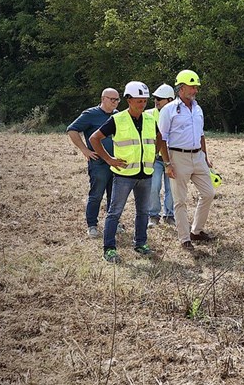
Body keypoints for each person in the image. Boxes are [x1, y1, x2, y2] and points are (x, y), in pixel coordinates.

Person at [89, 82, 157, 263]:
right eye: (139, 100)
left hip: (146, 174)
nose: (142, 104)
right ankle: (109, 249)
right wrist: (108, 159)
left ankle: (140, 243)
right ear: (128, 99)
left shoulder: (150, 119)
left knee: (143, 211)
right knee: (114, 212)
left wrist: (163, 159)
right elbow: (94, 138)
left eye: (144, 101)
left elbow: (160, 139)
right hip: (124, 175)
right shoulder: (117, 119)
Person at [157, 69, 215, 251]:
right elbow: (162, 138)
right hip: (178, 156)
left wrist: (205, 157)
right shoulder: (168, 110)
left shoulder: (198, 108)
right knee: (180, 200)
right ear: (181, 88)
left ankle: (196, 231)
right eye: (192, 87)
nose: (195, 90)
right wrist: (167, 163)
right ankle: (184, 239)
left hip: (198, 156)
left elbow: (202, 134)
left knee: (208, 193)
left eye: (196, 87)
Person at [66, 88, 120, 238]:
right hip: (99, 163)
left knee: (114, 195)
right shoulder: (91, 114)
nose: (115, 102)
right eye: (112, 99)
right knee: (96, 194)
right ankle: (92, 225)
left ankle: (113, 224)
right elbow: (72, 130)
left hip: (115, 162)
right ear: (103, 99)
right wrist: (85, 150)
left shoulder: (118, 116)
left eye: (117, 100)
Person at [146, 83, 176, 228]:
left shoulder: (177, 113)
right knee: (153, 186)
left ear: (170, 100)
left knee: (172, 188)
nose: (156, 101)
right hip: (156, 158)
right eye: (156, 98)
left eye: (160, 98)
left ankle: (170, 215)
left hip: (173, 158)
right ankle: (153, 215)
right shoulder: (149, 114)